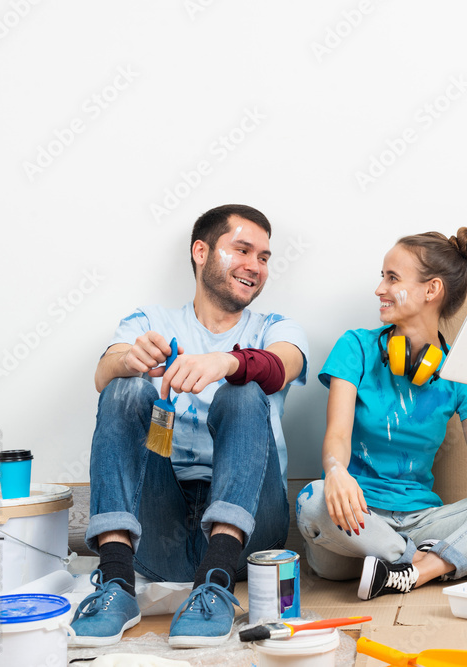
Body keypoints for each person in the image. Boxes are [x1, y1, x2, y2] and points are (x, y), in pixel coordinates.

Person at [70, 204, 308, 648]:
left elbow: (283, 365)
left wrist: (229, 361)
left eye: (264, 257)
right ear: (201, 252)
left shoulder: (275, 327)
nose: (255, 266)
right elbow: (103, 373)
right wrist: (130, 360)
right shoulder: (150, 321)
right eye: (242, 250)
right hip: (162, 524)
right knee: (124, 388)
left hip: (252, 528)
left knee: (245, 389)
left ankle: (217, 582)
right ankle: (117, 586)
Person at [296, 227, 467, 600]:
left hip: (424, 521)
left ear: (431, 289)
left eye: (392, 278)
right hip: (356, 523)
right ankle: (454, 561)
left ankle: (418, 570)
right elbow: (338, 436)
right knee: (312, 499)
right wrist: (336, 471)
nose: (380, 289)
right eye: (382, 277)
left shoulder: (462, 371)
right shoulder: (355, 346)